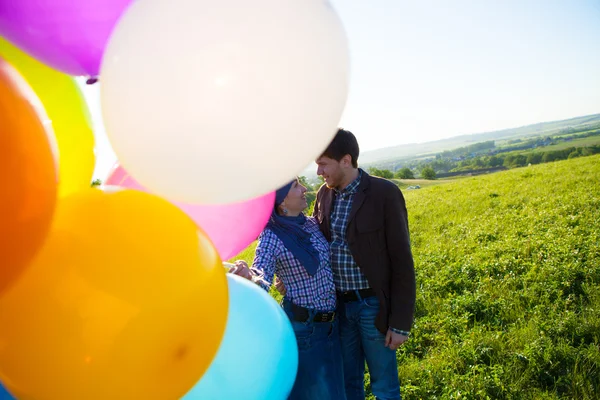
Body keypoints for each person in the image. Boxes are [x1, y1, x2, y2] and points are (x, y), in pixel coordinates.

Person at [313, 128, 416, 400]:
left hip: (373, 307)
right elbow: (318, 245)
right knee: (348, 385)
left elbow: (402, 260)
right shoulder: (324, 195)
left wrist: (400, 323)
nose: (318, 172)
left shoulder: (384, 193)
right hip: (339, 309)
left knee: (384, 387)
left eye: (323, 164)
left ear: (345, 160)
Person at [232, 178, 347, 400]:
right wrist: (248, 277)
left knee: (336, 391)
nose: (304, 189)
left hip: (332, 325)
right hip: (306, 330)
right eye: (296, 186)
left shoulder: (311, 224)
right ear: (281, 202)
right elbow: (262, 276)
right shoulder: (271, 236)